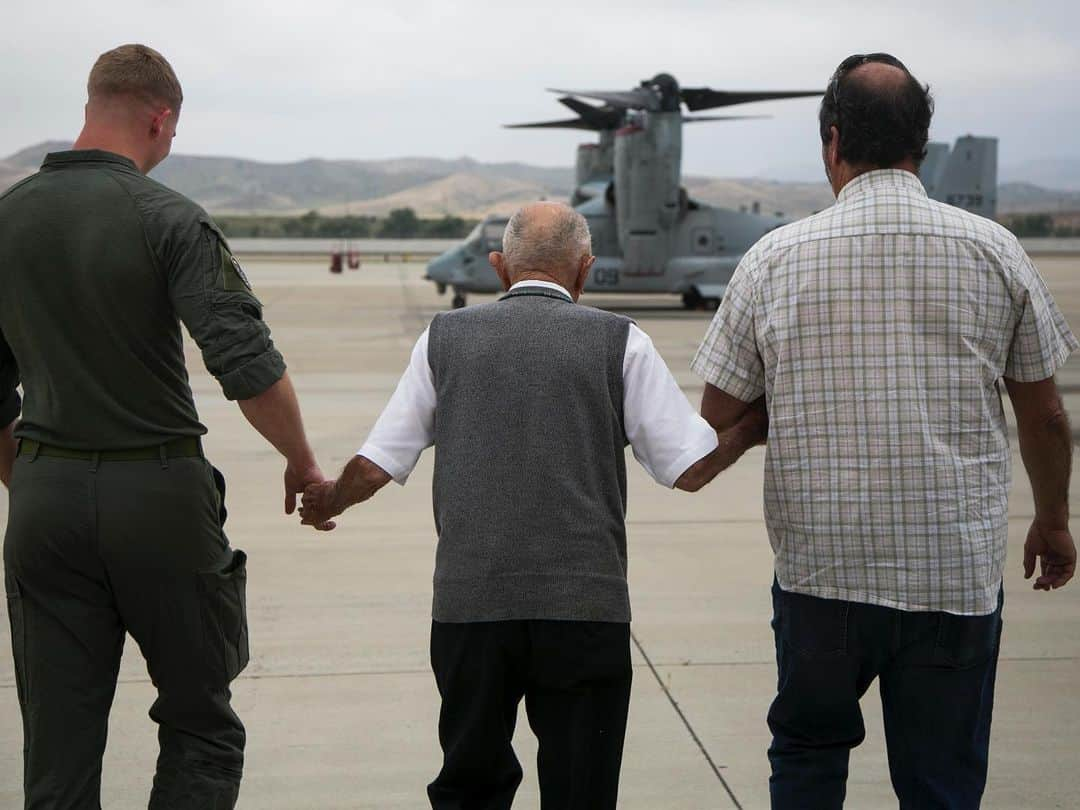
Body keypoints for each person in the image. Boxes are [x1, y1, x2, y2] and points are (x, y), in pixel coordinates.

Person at [692, 53, 1077, 809]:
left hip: (821, 577)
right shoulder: (994, 250)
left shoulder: (773, 258)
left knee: (807, 757)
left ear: (832, 142)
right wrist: (1055, 520)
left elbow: (714, 423)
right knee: (940, 783)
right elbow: (1046, 414)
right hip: (952, 579)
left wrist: (782, 411)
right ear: (922, 143)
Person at [299, 201, 767, 810]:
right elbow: (691, 468)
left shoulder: (444, 339)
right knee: (581, 791)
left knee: (470, 788)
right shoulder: (621, 342)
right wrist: (754, 424)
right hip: (584, 610)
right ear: (586, 269)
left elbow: (378, 462)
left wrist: (327, 498)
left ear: (498, 267)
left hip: (471, 609)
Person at [0, 44, 327, 808]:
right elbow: (246, 363)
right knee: (201, 725)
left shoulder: (6, 217)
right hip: (157, 497)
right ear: (160, 117)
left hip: (43, 499)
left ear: (90, 108)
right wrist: (303, 463)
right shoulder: (168, 217)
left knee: (57, 750)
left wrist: (34, 475)